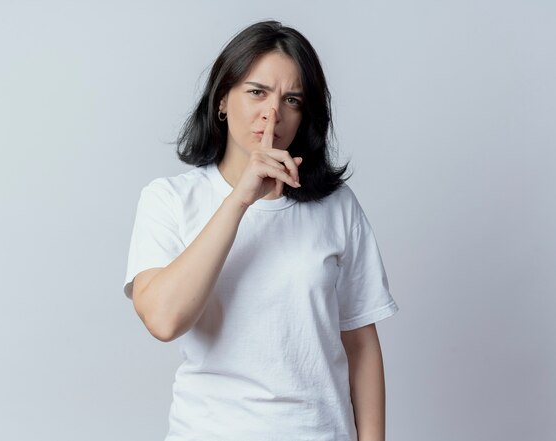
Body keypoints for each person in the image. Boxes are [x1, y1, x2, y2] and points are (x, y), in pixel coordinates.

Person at [123, 20, 399, 441]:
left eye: (292, 99)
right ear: (222, 100)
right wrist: (239, 200)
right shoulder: (170, 199)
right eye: (256, 92)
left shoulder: (336, 206)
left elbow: (361, 345)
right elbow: (163, 319)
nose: (273, 113)